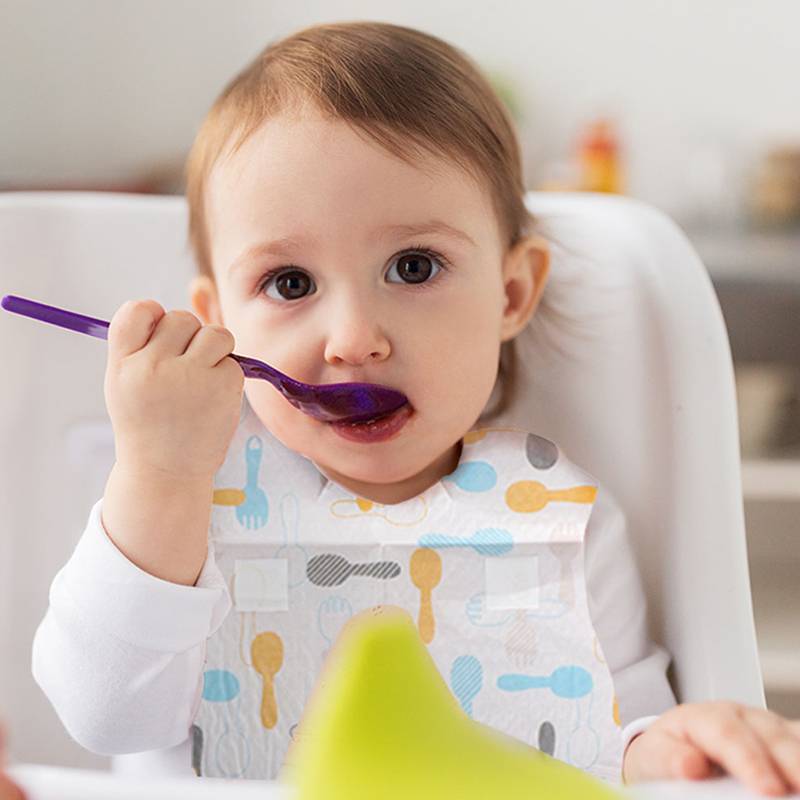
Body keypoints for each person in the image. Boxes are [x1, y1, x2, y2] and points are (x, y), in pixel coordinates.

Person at [30, 21, 800, 794]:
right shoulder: (181, 507)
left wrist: (675, 745)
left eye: (413, 265)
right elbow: (102, 716)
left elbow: (613, 744)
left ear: (511, 291)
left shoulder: (557, 514)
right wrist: (160, 471)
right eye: (290, 284)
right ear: (219, 317)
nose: (354, 340)